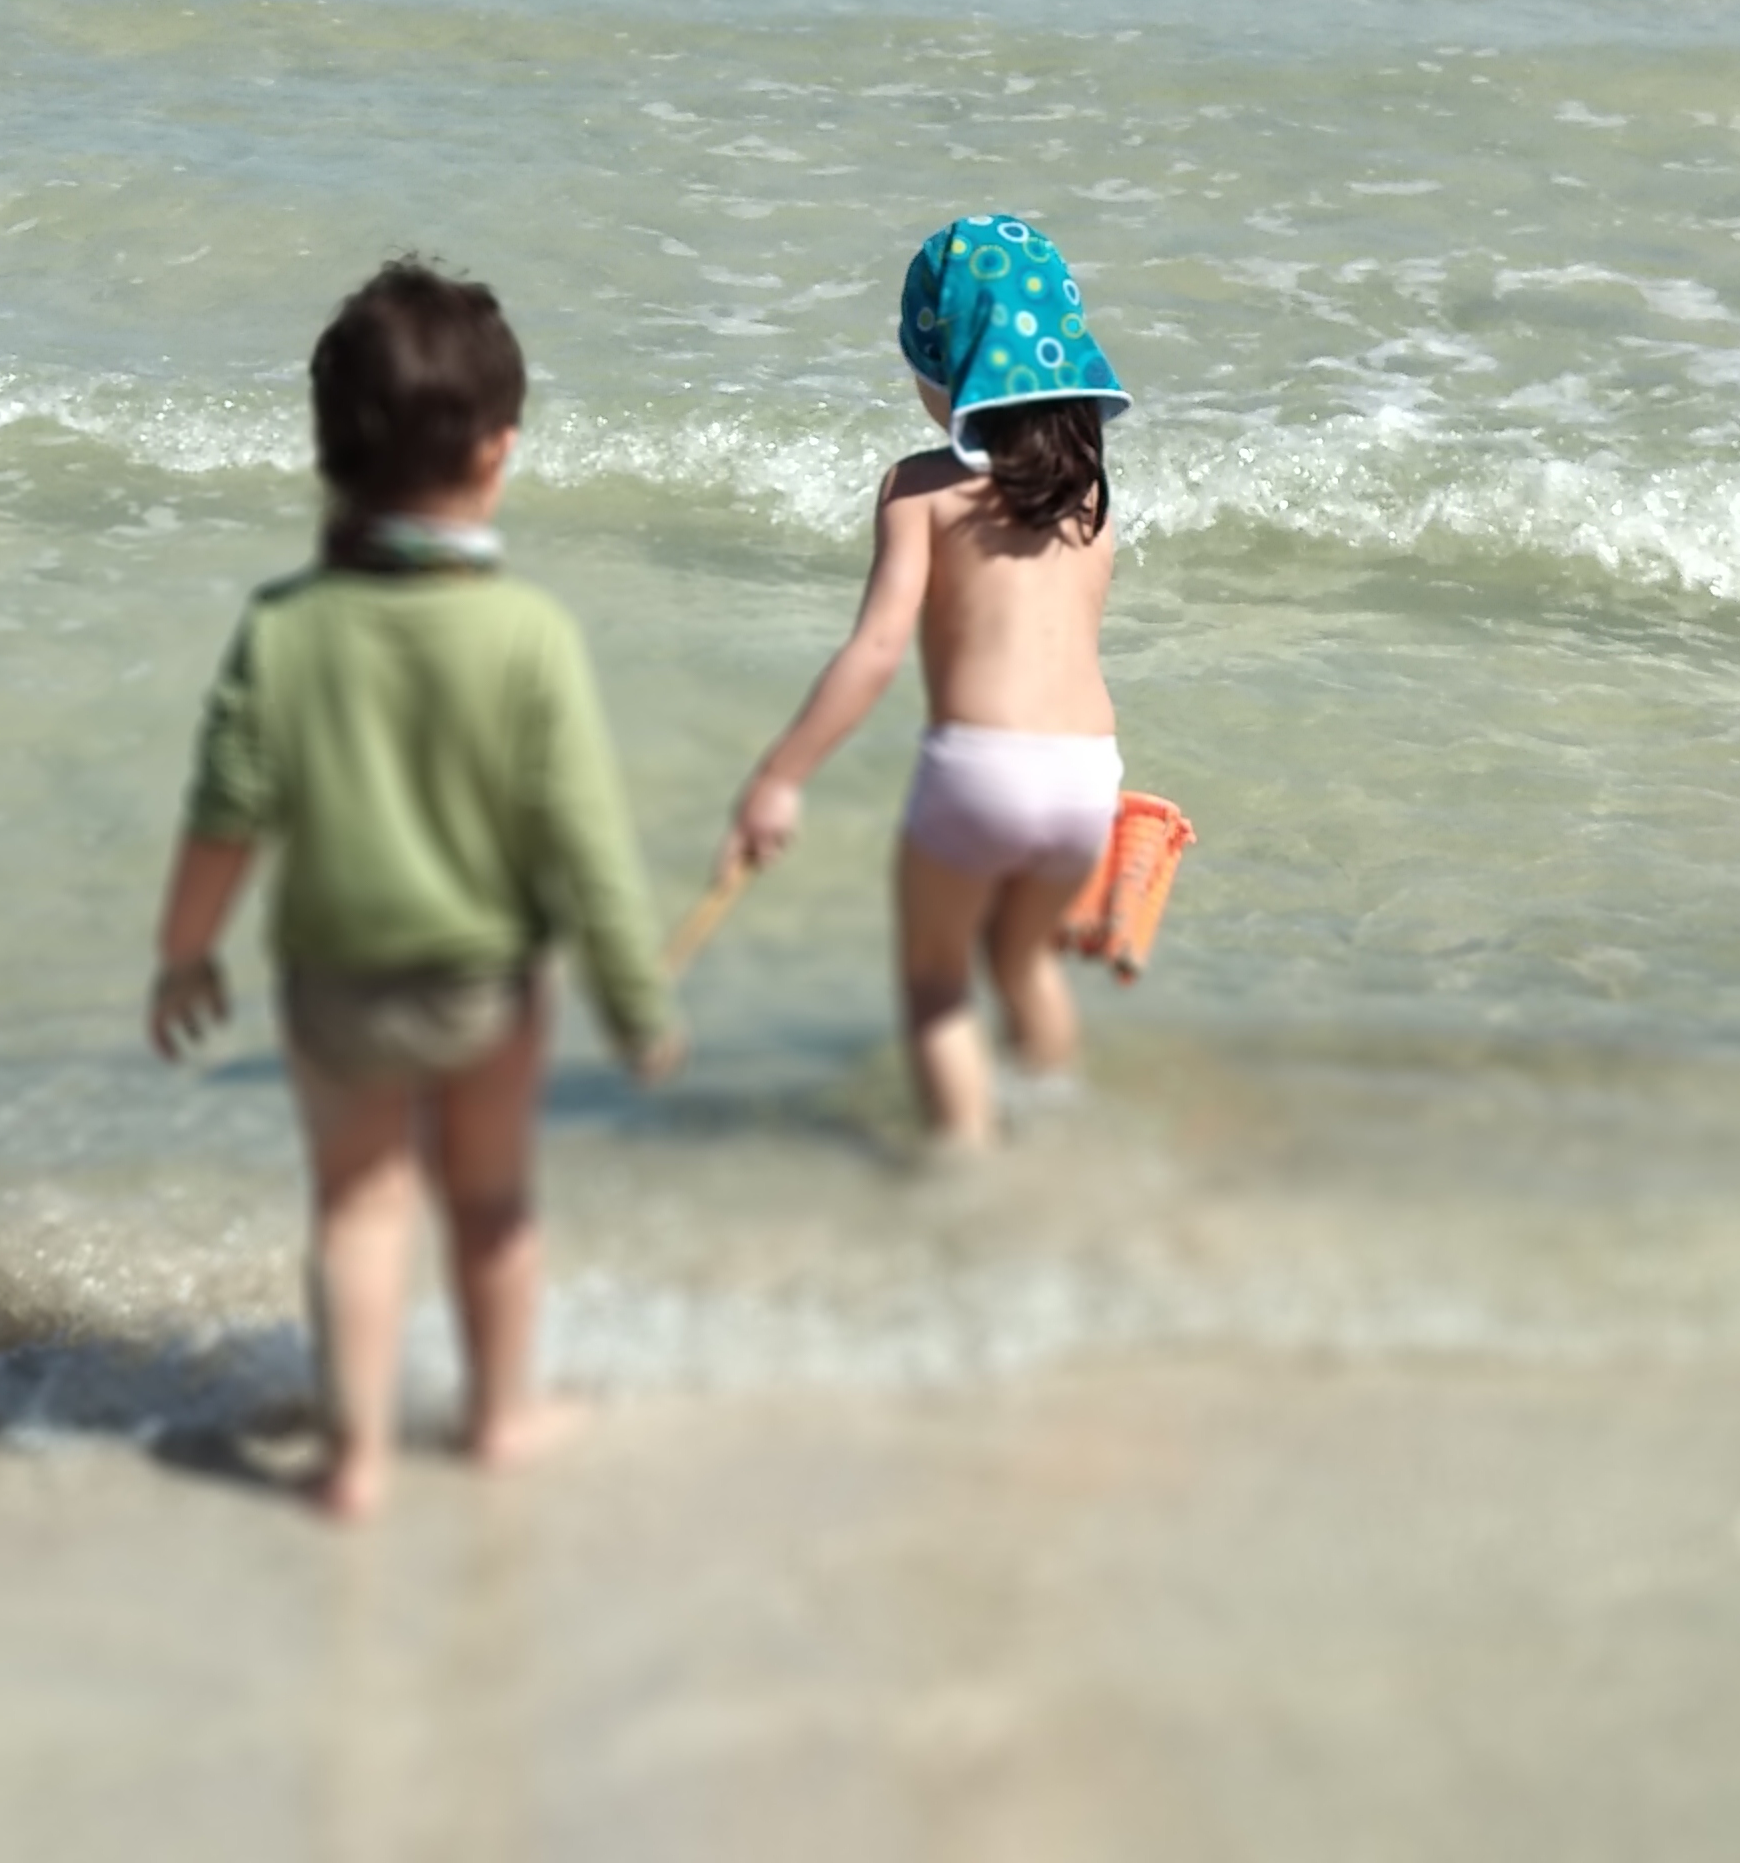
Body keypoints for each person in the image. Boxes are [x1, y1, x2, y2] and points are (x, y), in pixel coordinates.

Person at [147, 260, 680, 1522]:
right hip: (486, 987)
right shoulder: (528, 634)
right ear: (499, 452)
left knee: (358, 1206)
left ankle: (357, 1463)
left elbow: (224, 816)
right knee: (490, 1206)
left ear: (327, 454)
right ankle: (501, 1422)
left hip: (333, 981)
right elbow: (587, 844)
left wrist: (185, 954)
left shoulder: (283, 628)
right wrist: (637, 1003)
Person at [722, 213, 1129, 1147]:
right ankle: (1060, 1143)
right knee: (1023, 965)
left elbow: (875, 652)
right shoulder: (1092, 504)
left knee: (936, 980)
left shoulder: (919, 488)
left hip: (982, 768)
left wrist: (780, 778)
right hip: (1088, 778)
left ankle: (965, 1169)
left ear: (948, 362)